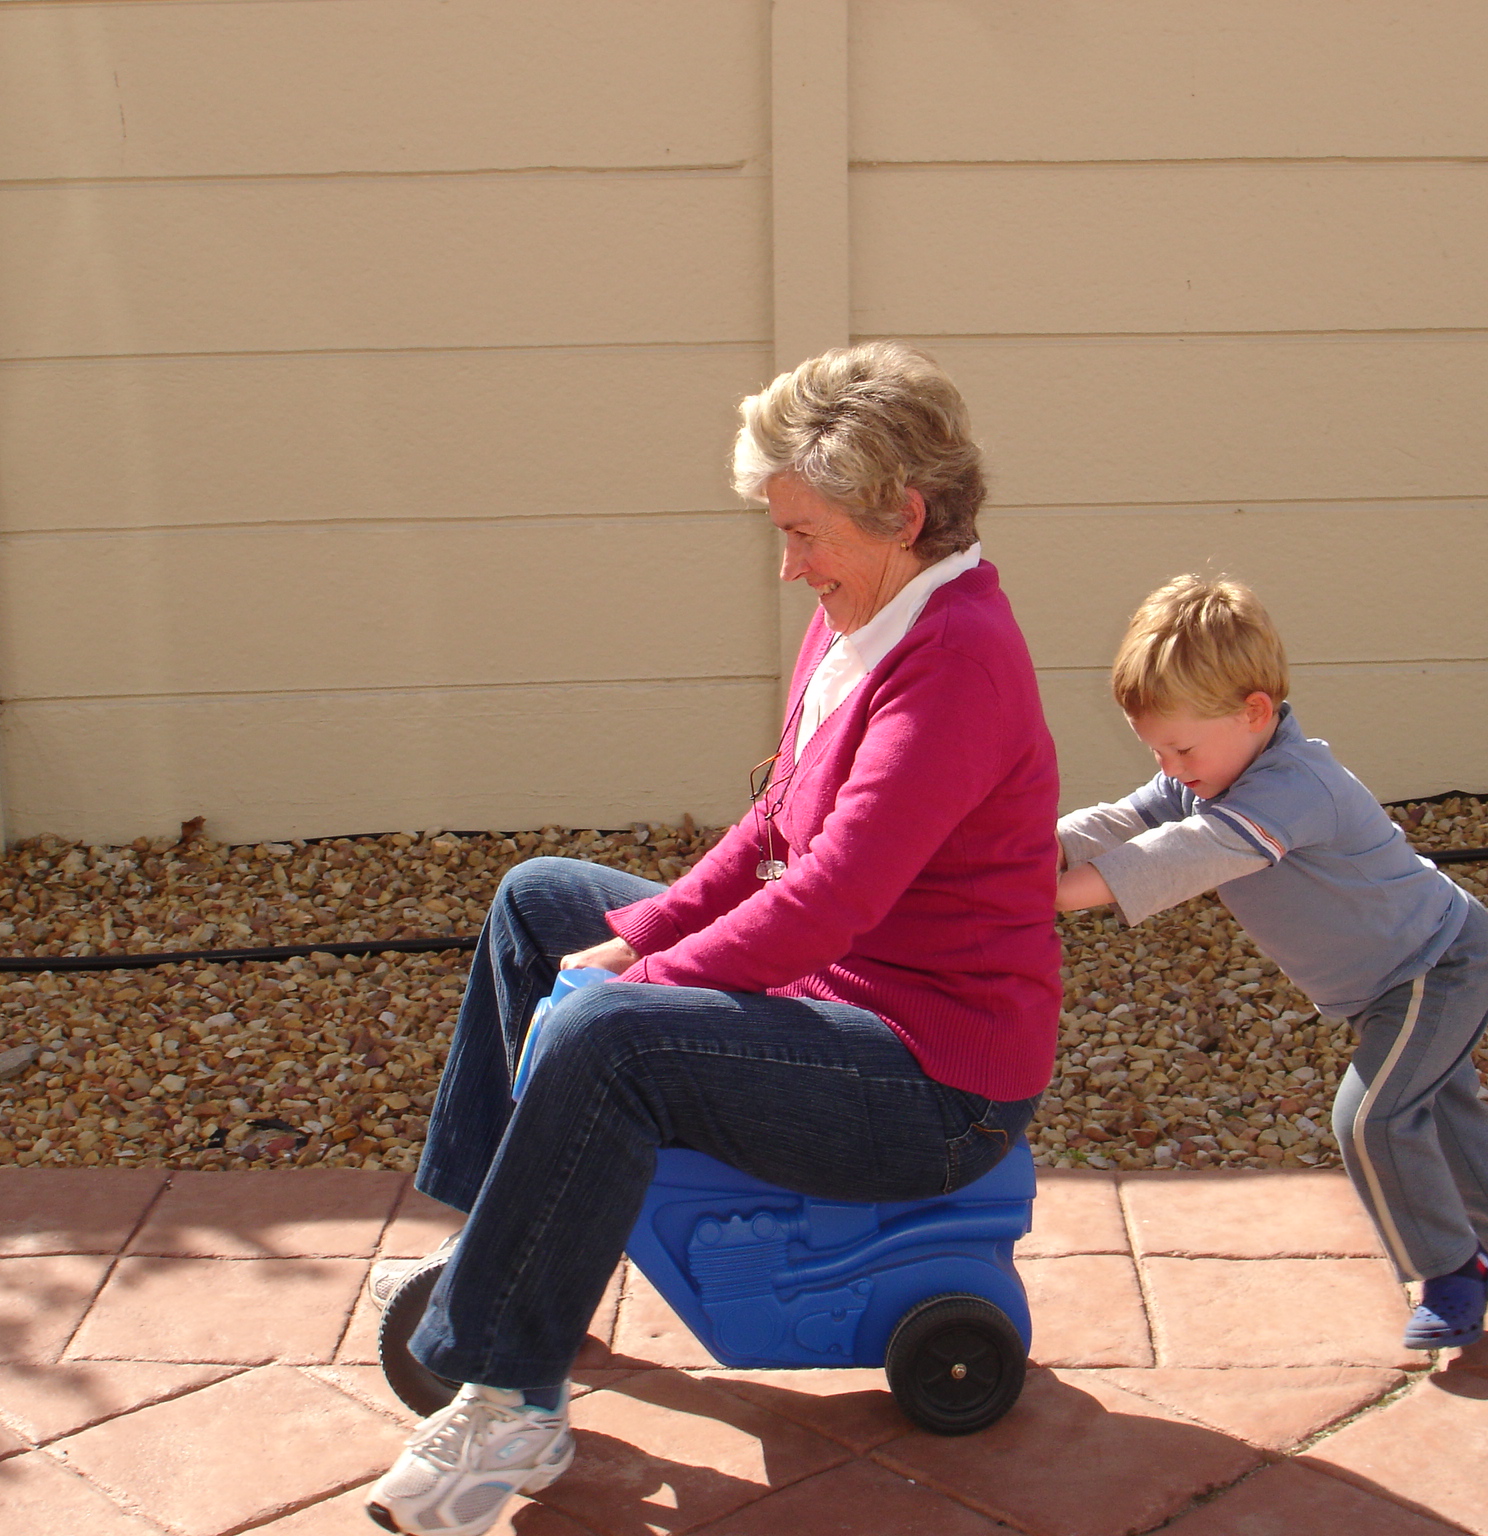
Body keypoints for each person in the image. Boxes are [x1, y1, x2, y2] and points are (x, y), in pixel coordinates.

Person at [364, 342, 1062, 1536]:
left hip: (932, 1082)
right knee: (541, 902)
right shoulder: (868, 617)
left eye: (805, 534)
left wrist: (632, 990)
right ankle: (505, 1247)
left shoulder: (956, 666)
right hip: (842, 997)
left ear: (903, 513)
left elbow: (830, 899)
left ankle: (508, 1398)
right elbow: (771, 827)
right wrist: (637, 939)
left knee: (613, 1044)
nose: (788, 567)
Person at [1053, 574, 1488, 1352]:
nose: (1169, 764)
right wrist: (1040, 847)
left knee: (1374, 1116)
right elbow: (1127, 819)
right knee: (1444, 1104)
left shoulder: (1293, 785)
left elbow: (1193, 853)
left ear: (1255, 712)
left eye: (1180, 746)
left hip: (1437, 964)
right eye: (1155, 748)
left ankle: (1453, 1269)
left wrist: (1057, 894)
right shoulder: (1205, 771)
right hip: (1397, 976)